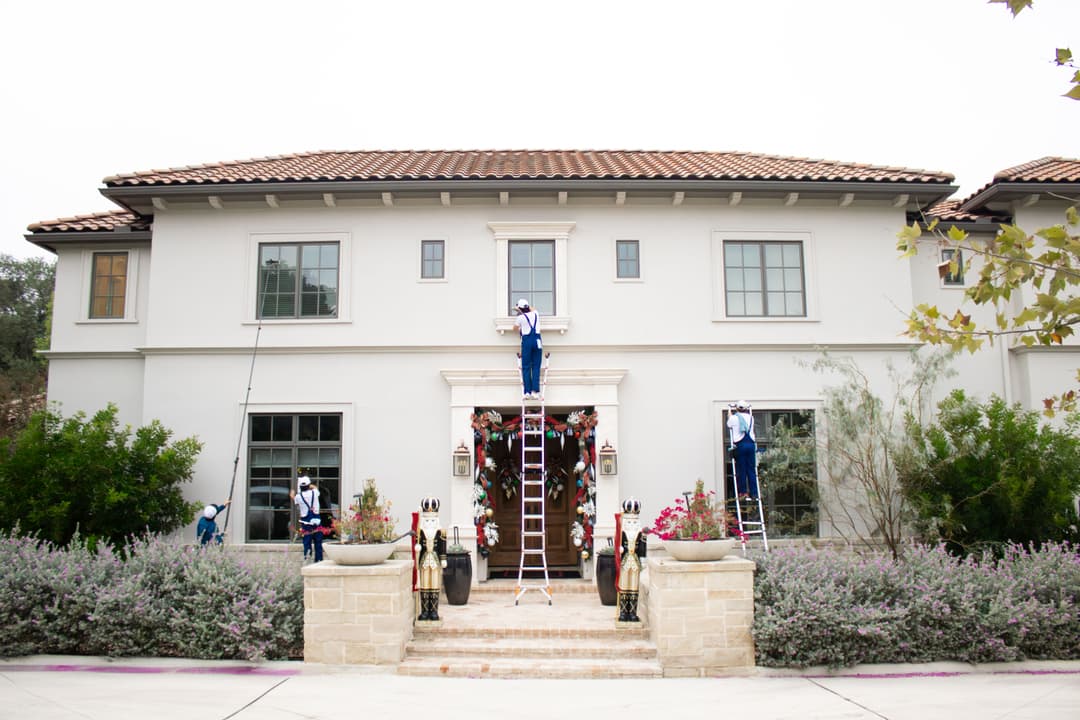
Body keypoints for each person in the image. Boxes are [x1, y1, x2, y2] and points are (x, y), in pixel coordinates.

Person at [414, 496, 447, 621]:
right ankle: (424, 611)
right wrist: (417, 547)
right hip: (424, 560)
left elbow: (442, 546)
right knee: (424, 585)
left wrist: (443, 558)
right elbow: (418, 542)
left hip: (435, 560)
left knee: (434, 585)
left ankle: (433, 611)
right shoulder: (420, 530)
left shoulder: (441, 531)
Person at [616, 498, 646, 622]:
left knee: (634, 586)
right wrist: (619, 549)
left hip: (635, 562)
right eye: (630, 522)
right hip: (625, 562)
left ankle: (632, 612)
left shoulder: (641, 534)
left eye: (634, 522)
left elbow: (642, 549)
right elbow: (618, 545)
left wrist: (643, 560)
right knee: (624, 586)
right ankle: (623, 612)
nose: (632, 525)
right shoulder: (622, 532)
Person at [727, 401, 758, 498]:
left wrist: (729, 413)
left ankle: (743, 492)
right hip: (751, 444)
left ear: (737, 408)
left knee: (742, 469)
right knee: (751, 470)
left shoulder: (734, 418)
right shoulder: (751, 417)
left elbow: (729, 424)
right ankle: (754, 493)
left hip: (741, 445)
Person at [290, 475, 324, 563]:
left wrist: (292, 494)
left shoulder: (298, 497)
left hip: (306, 523)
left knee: (307, 542)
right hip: (317, 521)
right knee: (318, 542)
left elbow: (294, 498)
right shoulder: (315, 493)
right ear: (309, 486)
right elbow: (315, 487)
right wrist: (310, 485)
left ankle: (307, 561)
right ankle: (319, 561)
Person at [515, 298, 543, 400]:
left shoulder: (520, 318)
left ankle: (527, 391)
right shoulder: (536, 314)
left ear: (520, 308)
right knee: (536, 366)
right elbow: (532, 308)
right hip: (537, 341)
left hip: (527, 342)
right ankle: (535, 391)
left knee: (526, 367)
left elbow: (514, 328)